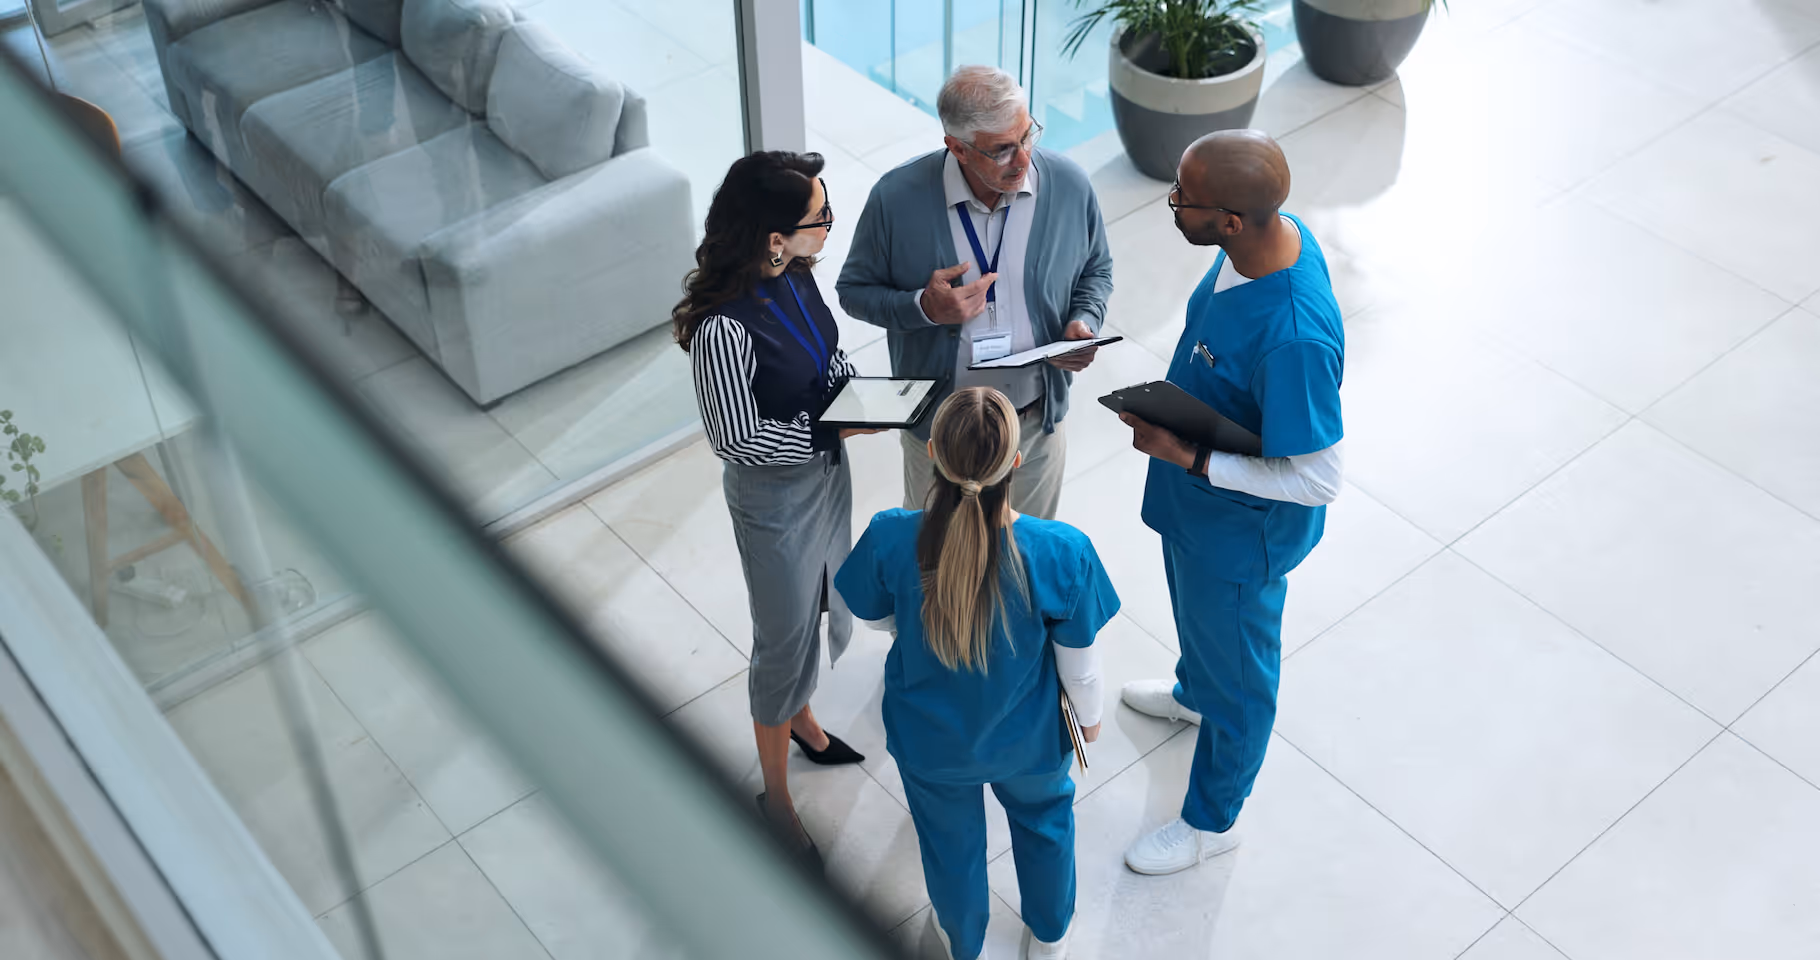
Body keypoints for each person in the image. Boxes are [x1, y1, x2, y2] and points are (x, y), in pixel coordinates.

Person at [1115, 131, 1345, 875]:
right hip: (1195, 503)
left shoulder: (1296, 335)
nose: (1173, 204)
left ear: (1232, 223)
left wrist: (1193, 457)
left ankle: (1213, 821)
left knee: (1242, 683)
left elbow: (1316, 478)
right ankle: (1192, 694)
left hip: (1240, 536)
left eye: (1185, 199)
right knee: (1196, 623)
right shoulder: (1258, 240)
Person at [836, 387, 1120, 960]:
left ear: (935, 453)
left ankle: (962, 942)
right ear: (1016, 462)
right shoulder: (1062, 551)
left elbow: (872, 616)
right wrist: (1087, 723)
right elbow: (1080, 665)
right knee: (1045, 827)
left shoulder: (891, 534)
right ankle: (1049, 936)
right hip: (1032, 740)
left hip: (929, 741)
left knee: (949, 845)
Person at [673, 151, 876, 867]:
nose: (828, 227)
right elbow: (737, 439)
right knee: (783, 637)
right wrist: (829, 427)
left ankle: (804, 721)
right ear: (773, 236)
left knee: (820, 600)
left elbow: (829, 358)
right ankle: (776, 798)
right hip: (776, 497)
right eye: (818, 218)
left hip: (825, 474)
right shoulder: (722, 330)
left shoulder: (797, 276)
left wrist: (863, 396)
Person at [837, 65, 1114, 520]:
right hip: (937, 429)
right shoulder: (895, 198)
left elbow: (1095, 267)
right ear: (957, 148)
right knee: (934, 562)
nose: (1023, 159)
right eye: (1002, 150)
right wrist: (923, 308)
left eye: (1027, 136)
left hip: (1033, 426)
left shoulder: (1067, 184)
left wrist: (1084, 319)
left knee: (1024, 561)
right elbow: (854, 291)